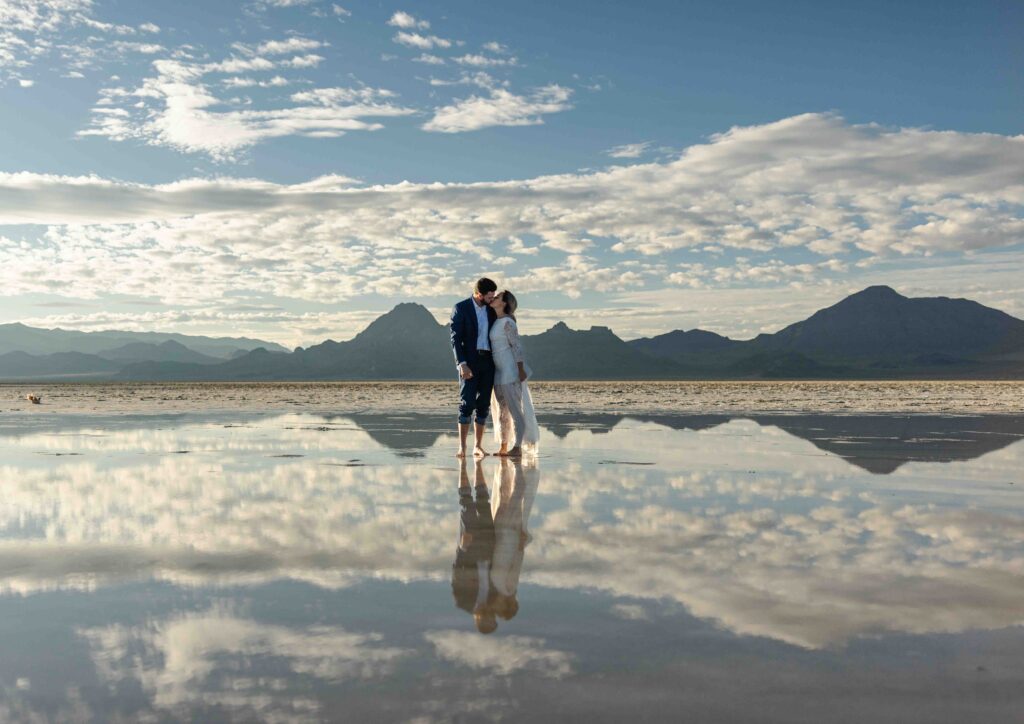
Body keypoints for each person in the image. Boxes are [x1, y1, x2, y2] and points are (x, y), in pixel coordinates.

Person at [450, 278, 498, 459]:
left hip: (488, 362)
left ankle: (477, 446)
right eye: (489, 295)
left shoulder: (491, 309)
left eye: (493, 295)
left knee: (483, 405)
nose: (491, 298)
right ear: (479, 294)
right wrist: (461, 364)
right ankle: (462, 447)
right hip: (469, 362)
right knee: (467, 404)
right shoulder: (461, 308)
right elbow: (455, 338)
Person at [487, 290, 539, 457]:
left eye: (497, 297)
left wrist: (520, 368)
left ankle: (517, 447)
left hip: (510, 371)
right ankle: (503, 446)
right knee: (502, 411)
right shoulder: (496, 321)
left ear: (504, 303)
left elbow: (516, 346)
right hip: (498, 372)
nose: (493, 298)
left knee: (516, 410)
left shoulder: (508, 322)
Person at [489, 457, 540, 622]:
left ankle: (515, 467)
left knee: (511, 496)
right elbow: (515, 565)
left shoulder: (503, 587)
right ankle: (515, 468)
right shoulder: (506, 588)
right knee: (510, 497)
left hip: (505, 538)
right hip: (506, 538)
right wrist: (520, 546)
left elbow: (511, 565)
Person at [451, 458, 498, 634]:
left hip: (469, 548)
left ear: (478, 620)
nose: (490, 616)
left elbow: (456, 573)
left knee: (466, 502)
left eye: (487, 620)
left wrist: (462, 548)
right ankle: (477, 466)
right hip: (489, 545)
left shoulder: (463, 602)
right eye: (492, 618)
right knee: (484, 501)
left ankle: (463, 467)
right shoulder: (495, 600)